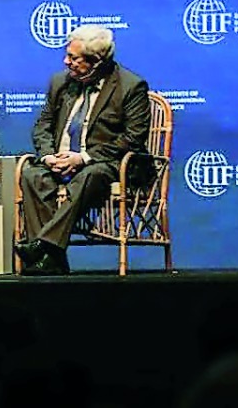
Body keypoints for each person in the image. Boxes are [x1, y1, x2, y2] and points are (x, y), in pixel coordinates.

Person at [17, 24, 150, 275]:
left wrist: (83, 158)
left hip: (107, 164)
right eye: (67, 55)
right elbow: (43, 125)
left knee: (90, 175)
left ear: (97, 62)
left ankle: (42, 246)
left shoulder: (131, 86)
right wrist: (47, 156)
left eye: (74, 58)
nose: (66, 62)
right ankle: (51, 258)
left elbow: (133, 138)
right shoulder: (61, 83)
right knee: (32, 175)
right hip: (60, 160)